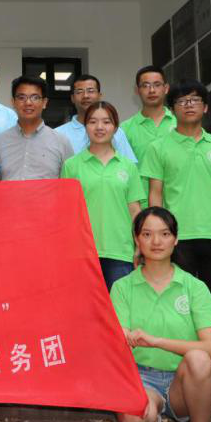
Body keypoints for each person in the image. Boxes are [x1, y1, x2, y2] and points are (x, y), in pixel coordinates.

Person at [140, 79, 211, 413]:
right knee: (180, 307)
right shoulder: (159, 146)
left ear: (205, 107)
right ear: (172, 109)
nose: (188, 105)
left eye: (194, 100)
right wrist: (157, 235)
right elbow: (155, 194)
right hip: (178, 240)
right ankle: (184, 375)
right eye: (182, 100)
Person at [111, 207, 211, 422]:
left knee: (200, 359)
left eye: (164, 234)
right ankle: (152, 417)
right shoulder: (122, 287)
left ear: (175, 239)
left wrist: (156, 341)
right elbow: (118, 340)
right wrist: (122, 336)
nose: (156, 242)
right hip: (140, 378)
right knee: (135, 421)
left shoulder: (195, 287)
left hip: (183, 382)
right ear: (137, 239)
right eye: (147, 234)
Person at [61, 102, 143, 289]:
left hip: (120, 252)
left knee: (119, 306)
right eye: (93, 122)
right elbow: (66, 213)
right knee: (84, 306)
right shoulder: (71, 166)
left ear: (115, 127)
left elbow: (135, 210)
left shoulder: (128, 166)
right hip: (82, 253)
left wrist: (139, 244)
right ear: (85, 126)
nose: (99, 127)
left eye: (106, 122)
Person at [0, 75, 73, 180]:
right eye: (21, 97)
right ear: (13, 102)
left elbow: (69, 183)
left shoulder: (61, 142)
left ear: (44, 103)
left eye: (35, 97)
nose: (28, 103)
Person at [120, 66, 177, 206]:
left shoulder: (180, 123)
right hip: (141, 207)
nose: (151, 90)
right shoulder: (124, 130)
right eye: (145, 85)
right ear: (137, 90)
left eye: (157, 85)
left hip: (179, 204)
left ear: (166, 88)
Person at [55, 74, 138, 163]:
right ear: (72, 98)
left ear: (99, 96)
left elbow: (129, 165)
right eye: (79, 91)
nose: (85, 96)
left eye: (90, 91)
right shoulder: (58, 134)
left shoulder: (115, 131)